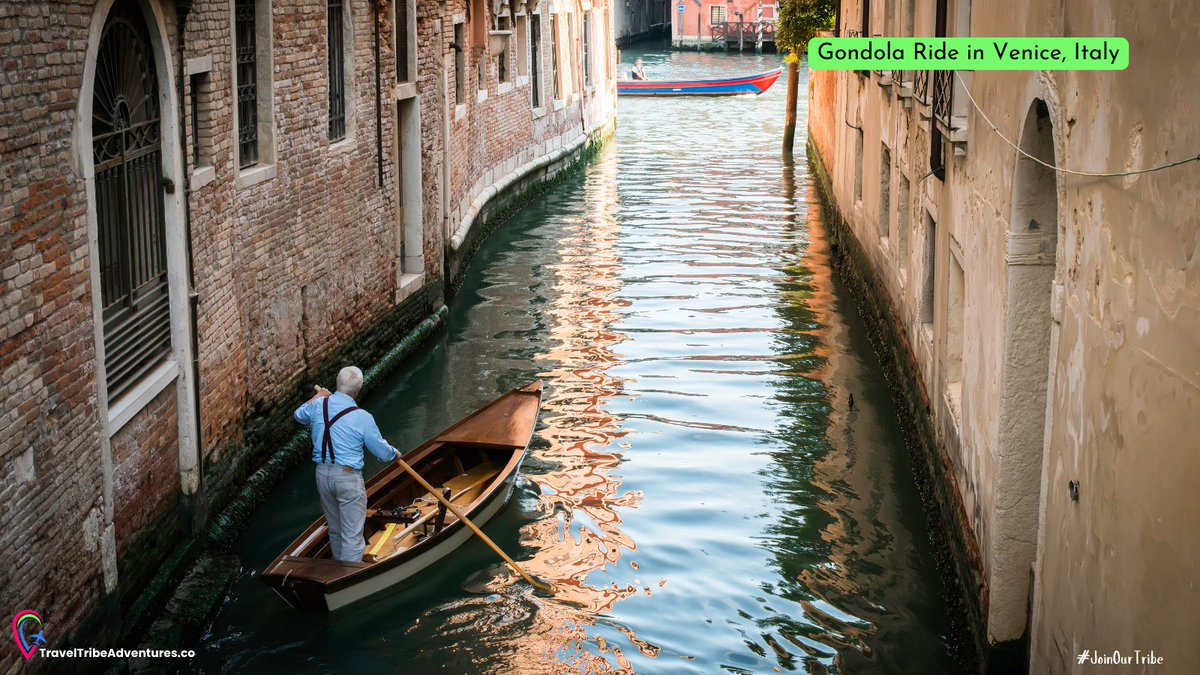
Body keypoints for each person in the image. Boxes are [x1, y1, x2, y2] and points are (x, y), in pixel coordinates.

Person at [294, 366, 399, 563]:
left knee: (335, 530)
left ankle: (336, 572)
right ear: (358, 390)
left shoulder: (319, 405)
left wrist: (319, 397)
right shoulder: (363, 418)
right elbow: (381, 451)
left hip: (322, 476)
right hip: (347, 478)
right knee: (352, 537)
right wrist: (394, 453)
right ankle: (345, 579)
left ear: (336, 383)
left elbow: (299, 415)